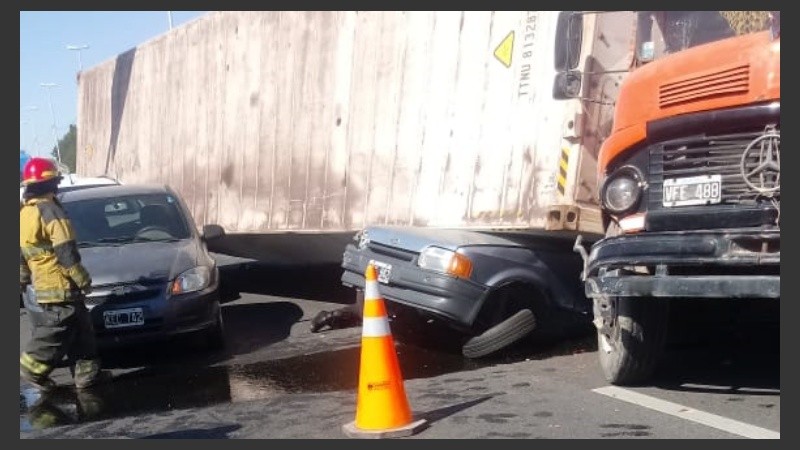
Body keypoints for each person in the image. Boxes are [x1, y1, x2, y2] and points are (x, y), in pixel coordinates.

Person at [19, 157, 111, 391]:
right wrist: (81, 277)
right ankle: (32, 366)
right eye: (56, 182)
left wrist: (21, 279)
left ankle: (88, 374)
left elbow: (21, 253)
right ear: (50, 184)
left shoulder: (24, 214)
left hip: (43, 282)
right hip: (60, 281)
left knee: (81, 327)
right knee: (59, 324)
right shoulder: (50, 209)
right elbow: (65, 248)